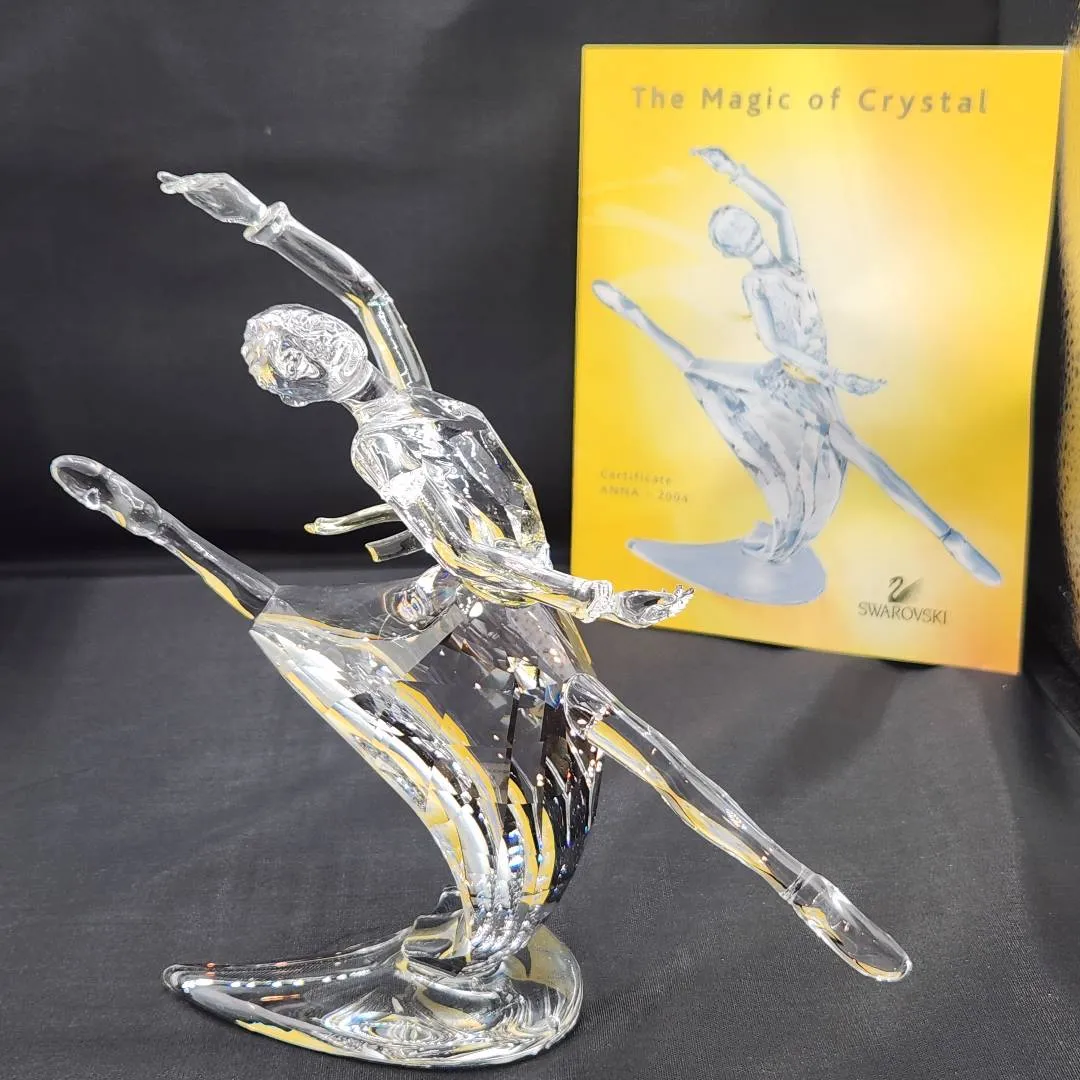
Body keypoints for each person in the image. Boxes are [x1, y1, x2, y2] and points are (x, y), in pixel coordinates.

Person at [157, 171, 693, 627]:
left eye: (309, 325)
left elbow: (366, 295)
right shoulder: (378, 443)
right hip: (510, 589)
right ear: (295, 392)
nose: (316, 343)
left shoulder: (410, 393)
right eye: (293, 357)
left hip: (529, 568)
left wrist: (261, 220)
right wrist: (598, 599)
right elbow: (463, 552)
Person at [593, 147, 1001, 586]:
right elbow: (774, 343)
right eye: (732, 234)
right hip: (789, 382)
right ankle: (629, 310)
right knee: (697, 367)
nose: (743, 231)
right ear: (730, 250)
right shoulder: (755, 282)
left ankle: (949, 539)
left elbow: (781, 210)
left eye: (740, 221)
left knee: (857, 456)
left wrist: (733, 172)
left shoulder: (791, 264)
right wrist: (835, 376)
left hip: (813, 384)